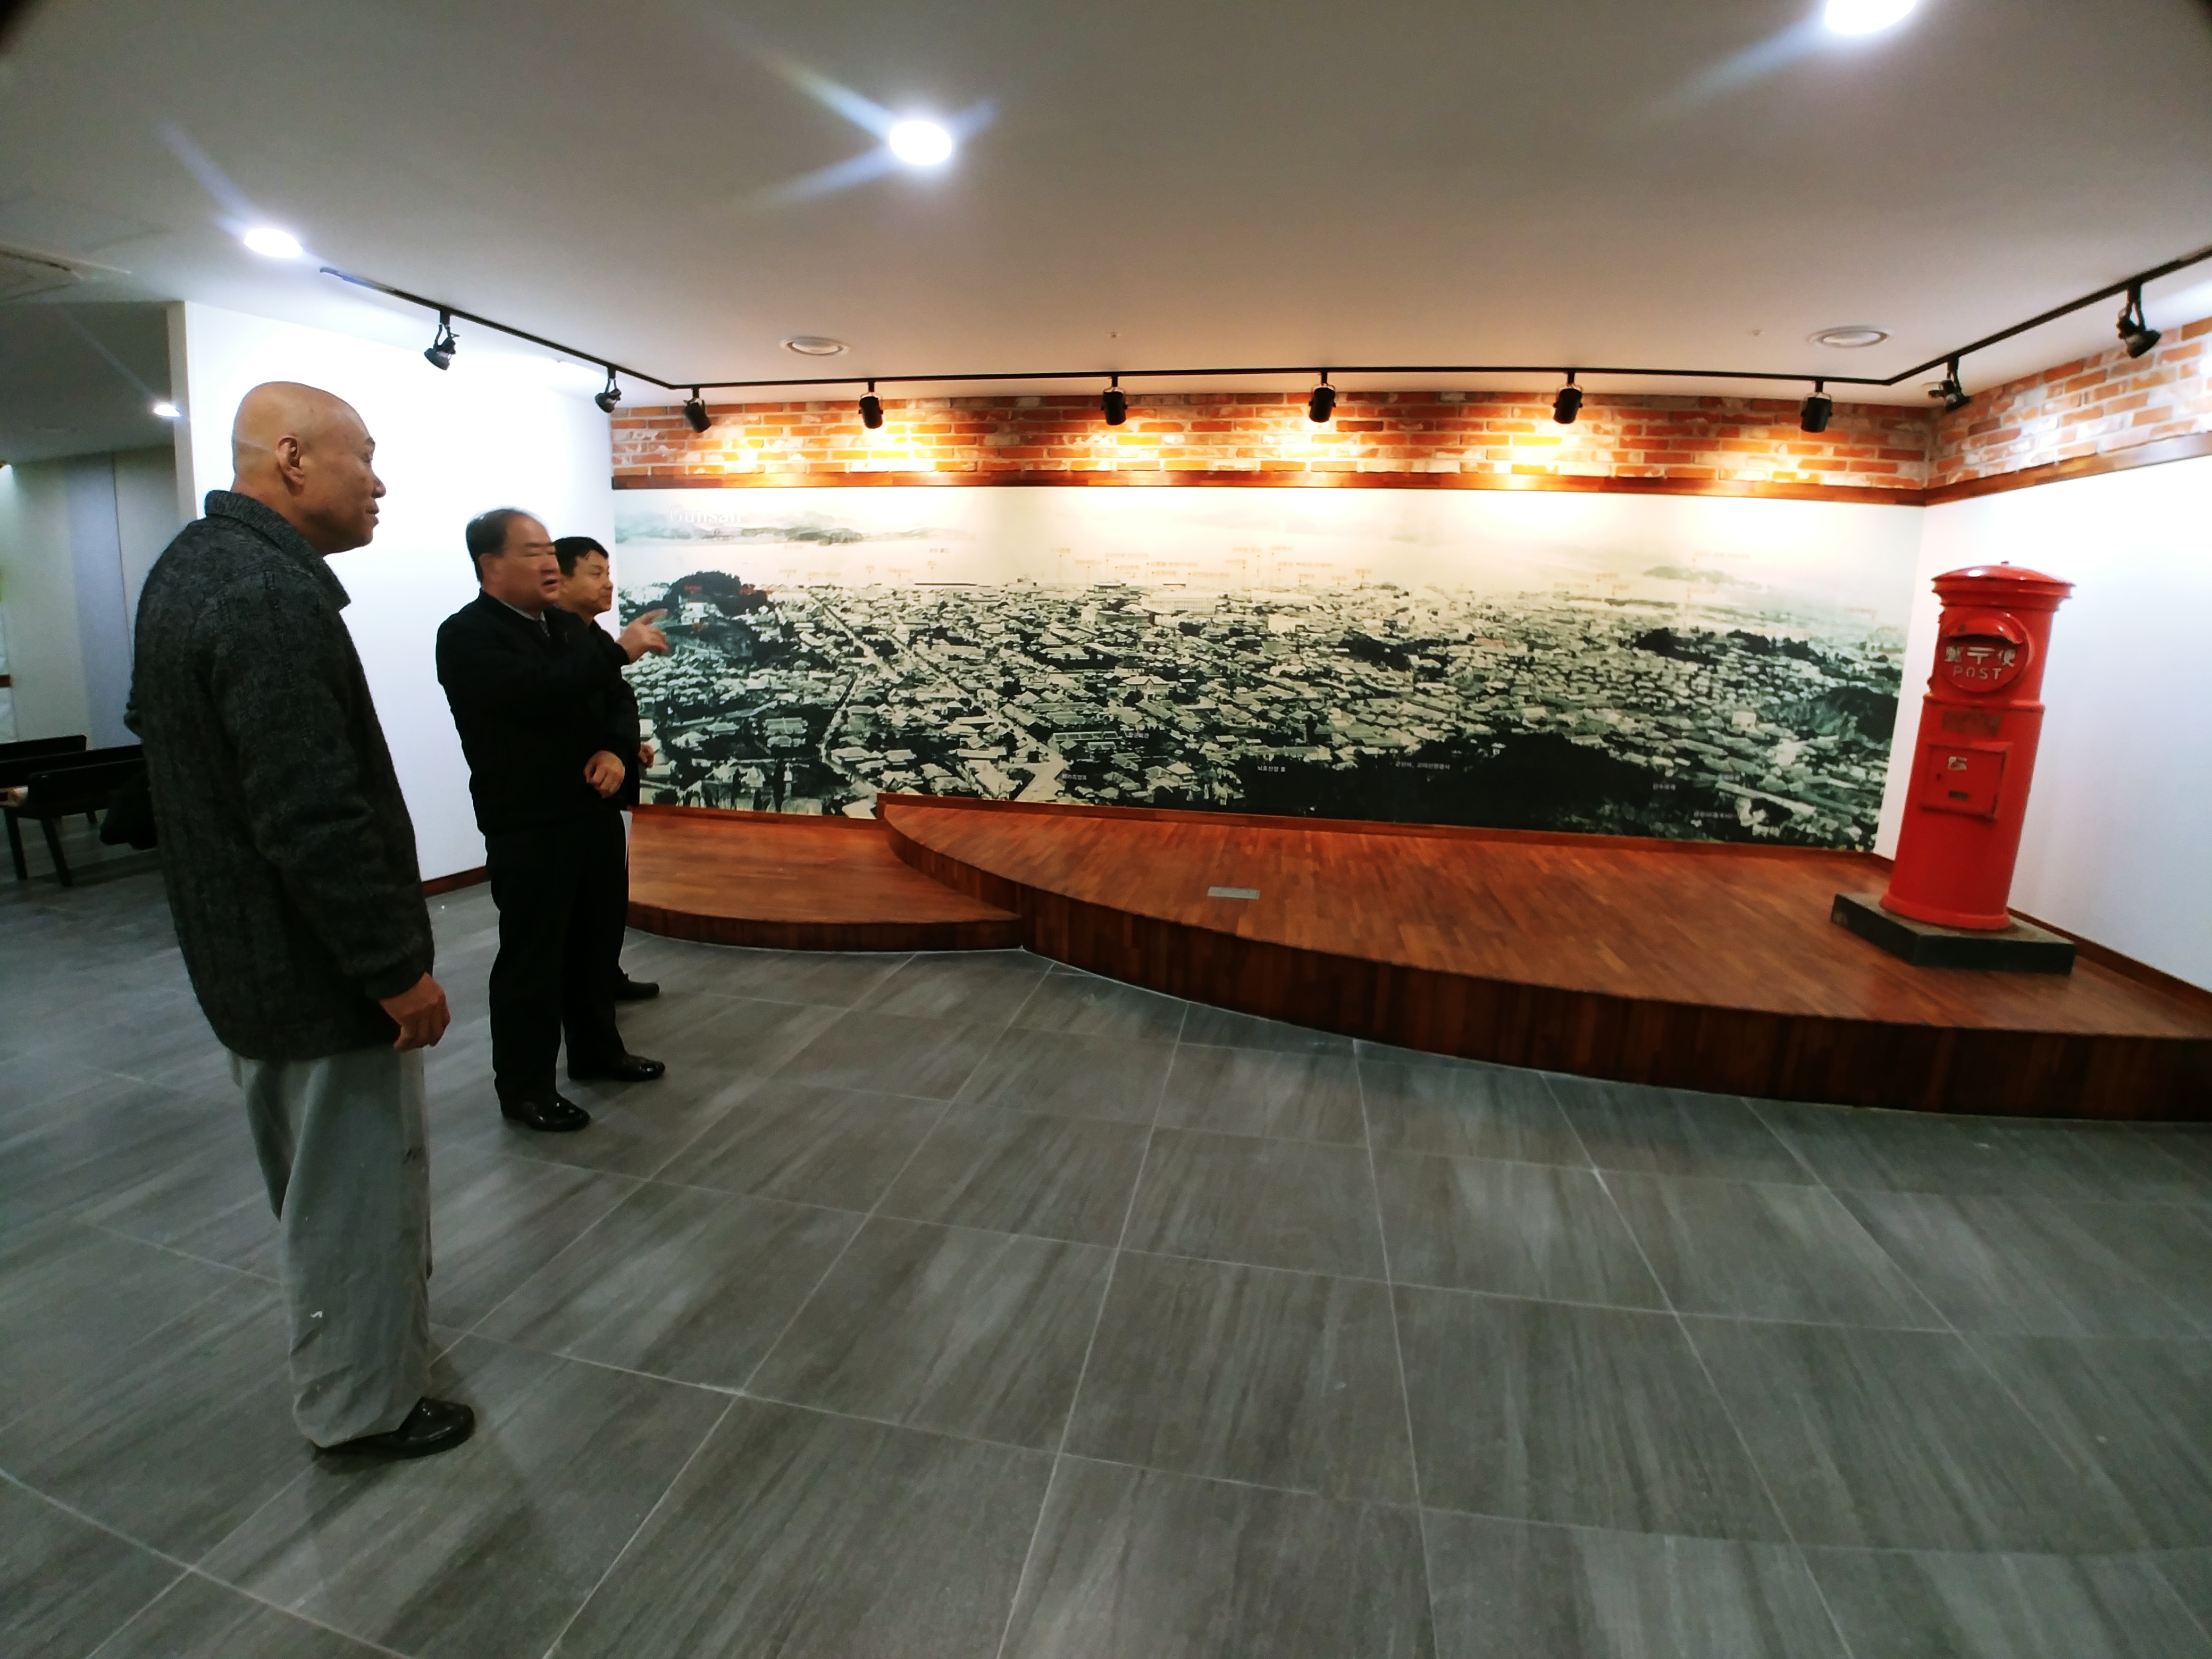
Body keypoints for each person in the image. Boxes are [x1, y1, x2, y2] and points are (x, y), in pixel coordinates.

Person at [129, 381, 470, 1461]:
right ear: (291, 458)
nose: (379, 482)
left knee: (318, 1187)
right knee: (354, 1200)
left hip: (247, 960)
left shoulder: (190, 569)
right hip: (313, 974)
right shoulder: (267, 597)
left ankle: (368, 1367)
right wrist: (393, 968)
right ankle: (363, 1408)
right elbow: (312, 815)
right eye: (363, 456)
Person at [435, 509, 669, 1134]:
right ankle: (525, 1088)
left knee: (595, 944)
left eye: (549, 552)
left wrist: (615, 751)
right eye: (533, 552)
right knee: (533, 959)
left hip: (592, 812)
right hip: (529, 821)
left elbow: (616, 697)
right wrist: (616, 653)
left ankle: (597, 1052)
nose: (548, 564)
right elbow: (534, 692)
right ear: (490, 565)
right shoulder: (467, 635)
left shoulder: (566, 626)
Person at [552, 533, 658, 1003]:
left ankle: (604, 976)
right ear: (560, 580)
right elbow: (558, 704)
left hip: (603, 794)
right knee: (576, 906)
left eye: (609, 573)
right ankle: (585, 989)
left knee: (608, 897)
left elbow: (618, 701)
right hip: (569, 797)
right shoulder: (552, 639)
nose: (608, 584)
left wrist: (623, 746)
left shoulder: (591, 636)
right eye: (596, 573)